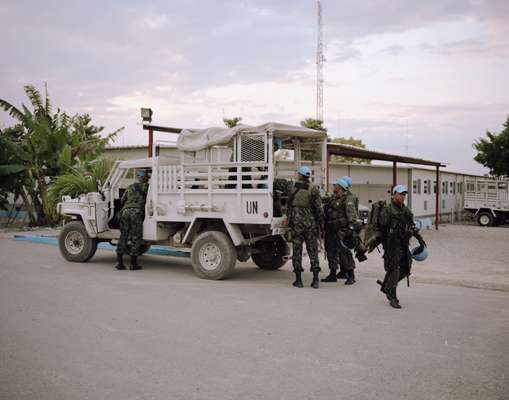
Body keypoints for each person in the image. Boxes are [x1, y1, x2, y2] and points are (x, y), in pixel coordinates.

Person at [374, 185, 426, 309]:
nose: (403, 196)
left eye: (404, 194)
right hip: (392, 244)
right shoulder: (388, 209)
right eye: (400, 194)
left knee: (407, 267)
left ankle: (387, 287)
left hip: (403, 242)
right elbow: (381, 226)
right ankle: (393, 297)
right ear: (394, 195)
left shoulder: (406, 210)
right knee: (394, 269)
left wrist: (420, 238)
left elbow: (412, 226)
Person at [286, 166, 324, 289]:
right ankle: (315, 280)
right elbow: (319, 209)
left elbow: (288, 204)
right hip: (310, 225)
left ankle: (298, 281)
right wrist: (320, 223)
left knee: (297, 251)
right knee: (313, 251)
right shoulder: (313, 189)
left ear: (300, 175)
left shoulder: (292, 187)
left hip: (296, 225)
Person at [321, 178, 358, 285]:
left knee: (345, 253)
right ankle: (332, 274)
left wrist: (349, 231)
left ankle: (351, 276)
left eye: (335, 185)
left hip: (341, 231)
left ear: (341, 188)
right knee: (331, 252)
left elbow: (352, 218)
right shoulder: (333, 199)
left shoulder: (347, 200)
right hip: (331, 230)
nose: (334, 187)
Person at [115, 169, 150, 271]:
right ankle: (133, 264)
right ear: (146, 178)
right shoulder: (147, 187)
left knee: (124, 236)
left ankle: (119, 263)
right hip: (136, 213)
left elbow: (122, 201)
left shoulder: (130, 186)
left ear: (138, 177)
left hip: (125, 212)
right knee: (136, 237)